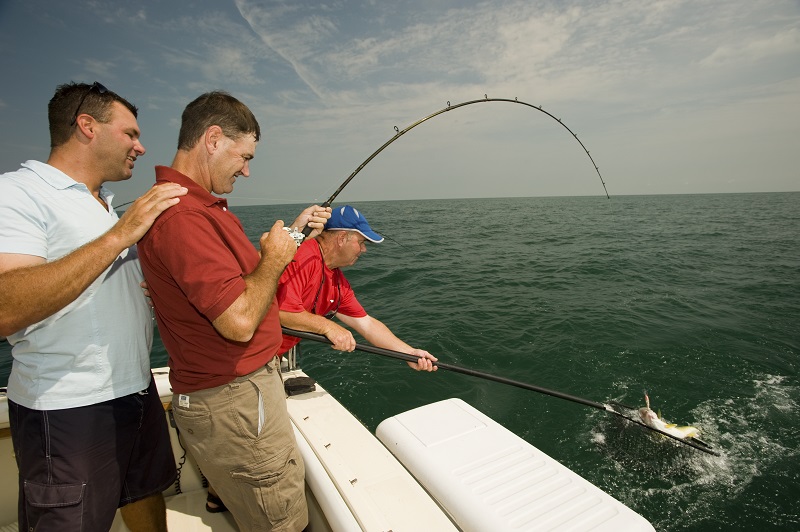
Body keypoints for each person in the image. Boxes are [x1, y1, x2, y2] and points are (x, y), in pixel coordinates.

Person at [136, 91, 330, 532]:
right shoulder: (184, 217)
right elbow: (240, 321)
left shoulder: (192, 208)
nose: (246, 169)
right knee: (281, 522)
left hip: (234, 399)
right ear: (213, 138)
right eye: (244, 157)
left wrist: (294, 234)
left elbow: (237, 285)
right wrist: (276, 258)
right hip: (236, 402)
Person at [0, 82, 188, 531]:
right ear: (87, 126)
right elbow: (6, 304)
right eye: (130, 134)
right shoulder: (18, 192)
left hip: (135, 391)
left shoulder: (100, 204)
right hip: (68, 408)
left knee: (146, 494)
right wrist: (122, 234)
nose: (141, 147)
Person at [277, 205, 438, 372]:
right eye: (361, 242)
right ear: (342, 238)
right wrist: (328, 327)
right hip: (252, 357)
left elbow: (366, 324)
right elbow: (282, 312)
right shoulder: (303, 255)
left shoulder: (338, 282)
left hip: (272, 356)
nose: (364, 249)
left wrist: (409, 353)